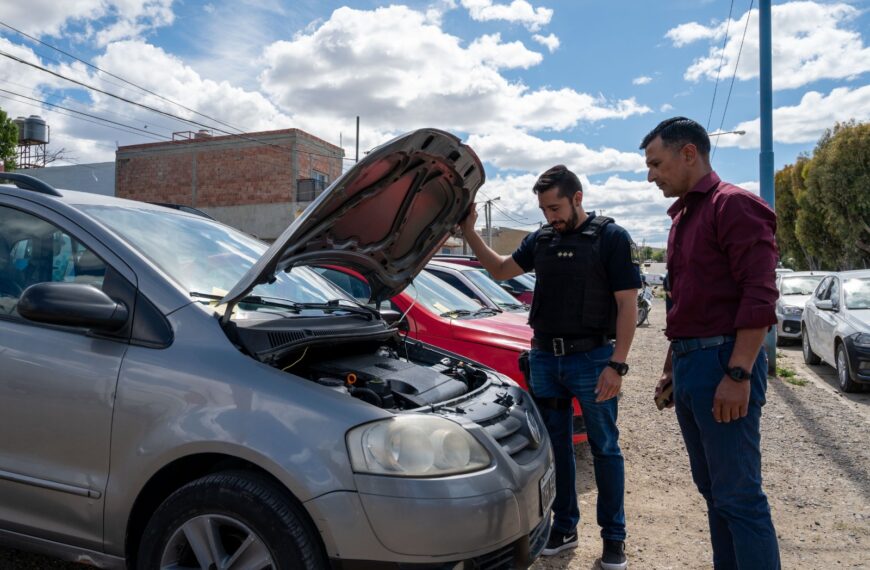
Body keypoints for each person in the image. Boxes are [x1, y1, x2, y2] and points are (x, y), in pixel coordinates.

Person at [459, 165, 640, 568]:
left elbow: (627, 305)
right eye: (544, 209)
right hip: (544, 358)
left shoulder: (610, 237)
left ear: (577, 198)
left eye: (555, 207)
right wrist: (470, 232)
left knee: (605, 448)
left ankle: (614, 540)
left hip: (593, 360)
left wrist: (618, 365)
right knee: (556, 450)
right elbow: (502, 269)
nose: (550, 217)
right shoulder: (541, 239)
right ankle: (563, 528)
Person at [642, 117, 781, 569]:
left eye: (656, 163)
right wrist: (670, 367)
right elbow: (683, 301)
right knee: (715, 494)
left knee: (739, 497)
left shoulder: (734, 206)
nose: (651, 175)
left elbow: (759, 296)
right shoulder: (684, 216)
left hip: (723, 363)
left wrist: (739, 373)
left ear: (689, 154)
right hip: (690, 366)